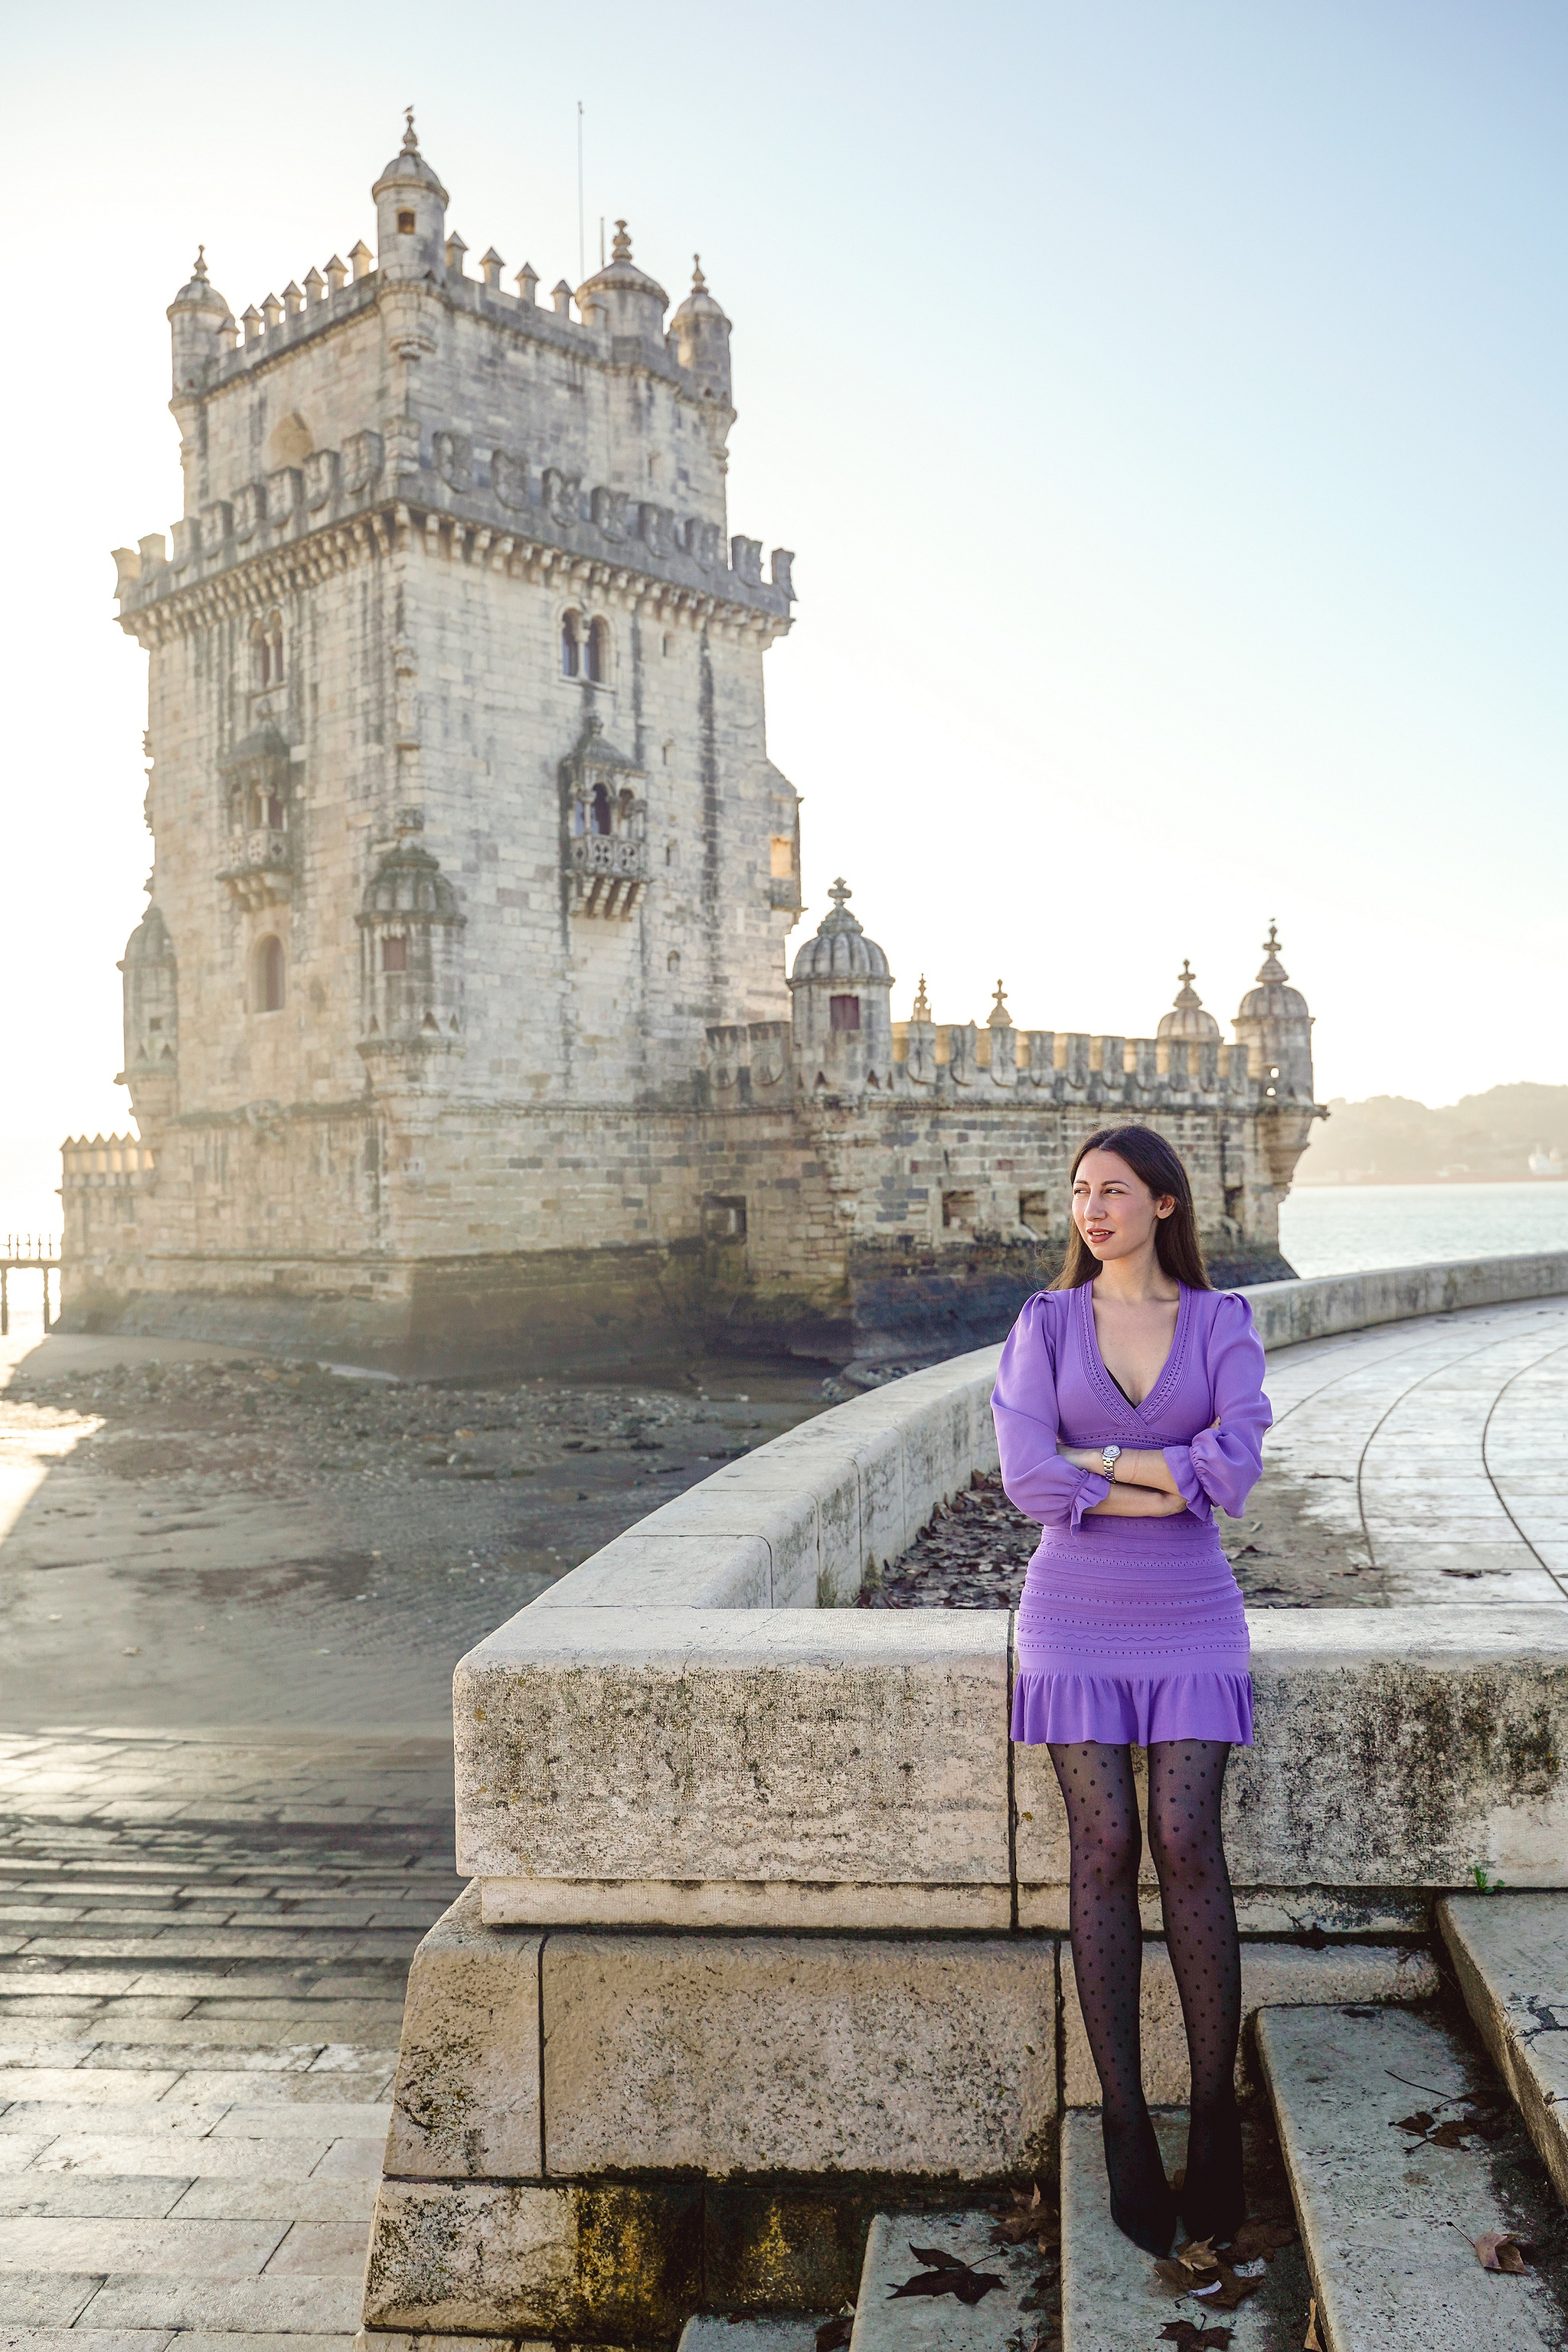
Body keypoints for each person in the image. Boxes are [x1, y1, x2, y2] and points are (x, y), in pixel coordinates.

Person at [991, 1124, 1270, 2258]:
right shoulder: (1045, 1324)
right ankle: (1123, 2121)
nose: (1090, 1209)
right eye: (1079, 1192)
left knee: (1186, 1837)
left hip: (1193, 1608)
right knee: (1103, 1845)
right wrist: (1164, 1474)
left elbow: (1235, 1469)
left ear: (1164, 1203)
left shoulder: (1222, 1321)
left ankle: (1212, 2116)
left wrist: (1097, 1463)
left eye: (1113, 1190)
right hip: (1072, 1611)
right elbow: (1026, 1475)